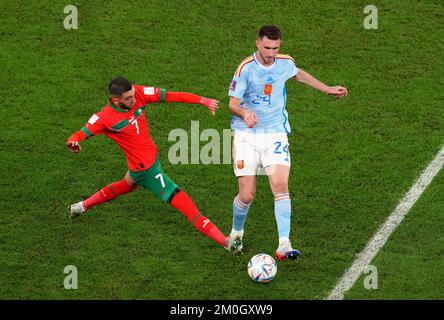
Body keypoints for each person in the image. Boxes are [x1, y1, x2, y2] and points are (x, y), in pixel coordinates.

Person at [226, 25, 348, 260]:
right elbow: (232, 103)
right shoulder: (245, 69)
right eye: (267, 48)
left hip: (275, 134)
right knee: (247, 195)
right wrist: (244, 113)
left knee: (280, 184)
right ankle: (236, 233)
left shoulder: (284, 62)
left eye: (275, 48)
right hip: (246, 136)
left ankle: (284, 244)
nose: (271, 53)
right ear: (257, 44)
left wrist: (327, 89)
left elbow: (298, 74)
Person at [67, 77, 232, 250]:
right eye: (128, 98)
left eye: (132, 95)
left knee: (126, 185)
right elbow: (79, 134)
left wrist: (203, 101)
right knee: (187, 206)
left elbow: (171, 96)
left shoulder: (138, 93)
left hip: (146, 163)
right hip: (146, 171)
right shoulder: (104, 118)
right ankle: (226, 242)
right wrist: (73, 142)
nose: (133, 99)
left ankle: (81, 206)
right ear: (115, 99)